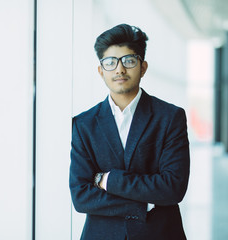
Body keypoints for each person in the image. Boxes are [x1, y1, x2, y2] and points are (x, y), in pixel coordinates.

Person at [69, 23, 190, 240]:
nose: (119, 69)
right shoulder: (84, 124)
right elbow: (81, 197)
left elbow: (173, 188)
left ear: (143, 67)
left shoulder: (170, 117)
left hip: (160, 234)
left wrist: (108, 180)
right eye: (110, 62)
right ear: (100, 71)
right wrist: (144, 203)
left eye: (129, 61)